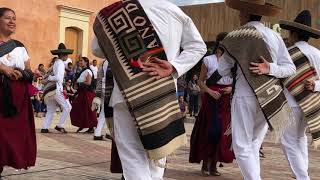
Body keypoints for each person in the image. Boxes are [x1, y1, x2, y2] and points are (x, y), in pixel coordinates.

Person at [92, 0, 207, 179]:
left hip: (127, 94)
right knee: (157, 161)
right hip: (164, 96)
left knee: (133, 158)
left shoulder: (112, 13)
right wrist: (174, 66)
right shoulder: (175, 11)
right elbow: (198, 47)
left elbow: (97, 50)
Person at [218, 1, 296, 180]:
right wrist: (270, 69)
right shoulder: (274, 36)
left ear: (245, 13)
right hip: (270, 97)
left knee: (242, 146)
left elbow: (222, 70)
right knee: (253, 145)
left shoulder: (235, 36)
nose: (239, 16)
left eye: (240, 13)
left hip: (244, 96)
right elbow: (290, 68)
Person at [279, 10, 320, 180]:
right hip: (312, 104)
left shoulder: (287, 53)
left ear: (294, 33)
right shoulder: (318, 53)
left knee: (288, 141)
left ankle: (303, 177)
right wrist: (316, 85)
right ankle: (303, 173)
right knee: (299, 138)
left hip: (292, 103)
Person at [190, 32, 234, 176]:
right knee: (210, 131)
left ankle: (214, 164)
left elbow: (238, 80)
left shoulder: (233, 61)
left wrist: (231, 88)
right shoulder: (208, 60)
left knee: (222, 132)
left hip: (226, 99)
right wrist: (209, 91)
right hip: (211, 98)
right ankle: (205, 163)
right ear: (218, 42)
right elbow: (200, 81)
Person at [0, 7, 36, 178]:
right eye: (8, 18)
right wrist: (2, 68)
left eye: (14, 18)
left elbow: (29, 72)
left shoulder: (19, 47)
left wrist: (20, 73)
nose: (12, 21)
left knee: (13, 138)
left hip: (17, 99)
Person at [41, 43, 73, 134]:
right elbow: (58, 78)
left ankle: (45, 127)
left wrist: (49, 78)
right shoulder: (60, 64)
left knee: (50, 110)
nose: (67, 56)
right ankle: (60, 125)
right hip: (57, 90)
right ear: (62, 55)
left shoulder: (55, 63)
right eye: (66, 54)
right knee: (68, 107)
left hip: (51, 91)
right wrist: (50, 78)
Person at [70, 57, 97, 133]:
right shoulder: (82, 71)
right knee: (79, 108)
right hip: (82, 92)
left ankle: (91, 127)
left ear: (86, 62)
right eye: (79, 61)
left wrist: (79, 83)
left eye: (82, 61)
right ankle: (82, 124)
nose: (80, 62)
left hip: (88, 93)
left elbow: (88, 82)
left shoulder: (88, 71)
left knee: (88, 109)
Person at [92, 59, 113, 140]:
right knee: (111, 111)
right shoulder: (111, 60)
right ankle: (111, 132)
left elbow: (99, 76)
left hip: (104, 87)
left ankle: (97, 133)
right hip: (110, 88)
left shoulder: (104, 62)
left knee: (104, 112)